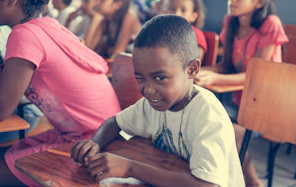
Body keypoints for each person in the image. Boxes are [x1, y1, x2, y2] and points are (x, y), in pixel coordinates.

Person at [71, 15, 245, 187]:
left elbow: (207, 185)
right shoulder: (153, 104)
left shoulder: (207, 115)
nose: (148, 89)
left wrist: (131, 168)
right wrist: (94, 144)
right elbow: (114, 122)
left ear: (192, 69)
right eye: (140, 78)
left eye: (160, 78)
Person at [0, 0, 121, 186]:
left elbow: (2, 109)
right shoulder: (47, 25)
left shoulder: (24, 34)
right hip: (102, 135)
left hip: (91, 144)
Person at [194, 0, 288, 186]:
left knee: (228, 132)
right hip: (240, 104)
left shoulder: (270, 23)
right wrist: (198, 71)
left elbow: (257, 76)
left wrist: (215, 79)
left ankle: (251, 182)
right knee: (203, 118)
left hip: (268, 109)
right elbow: (225, 67)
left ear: (259, 2)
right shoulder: (230, 21)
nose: (232, 1)